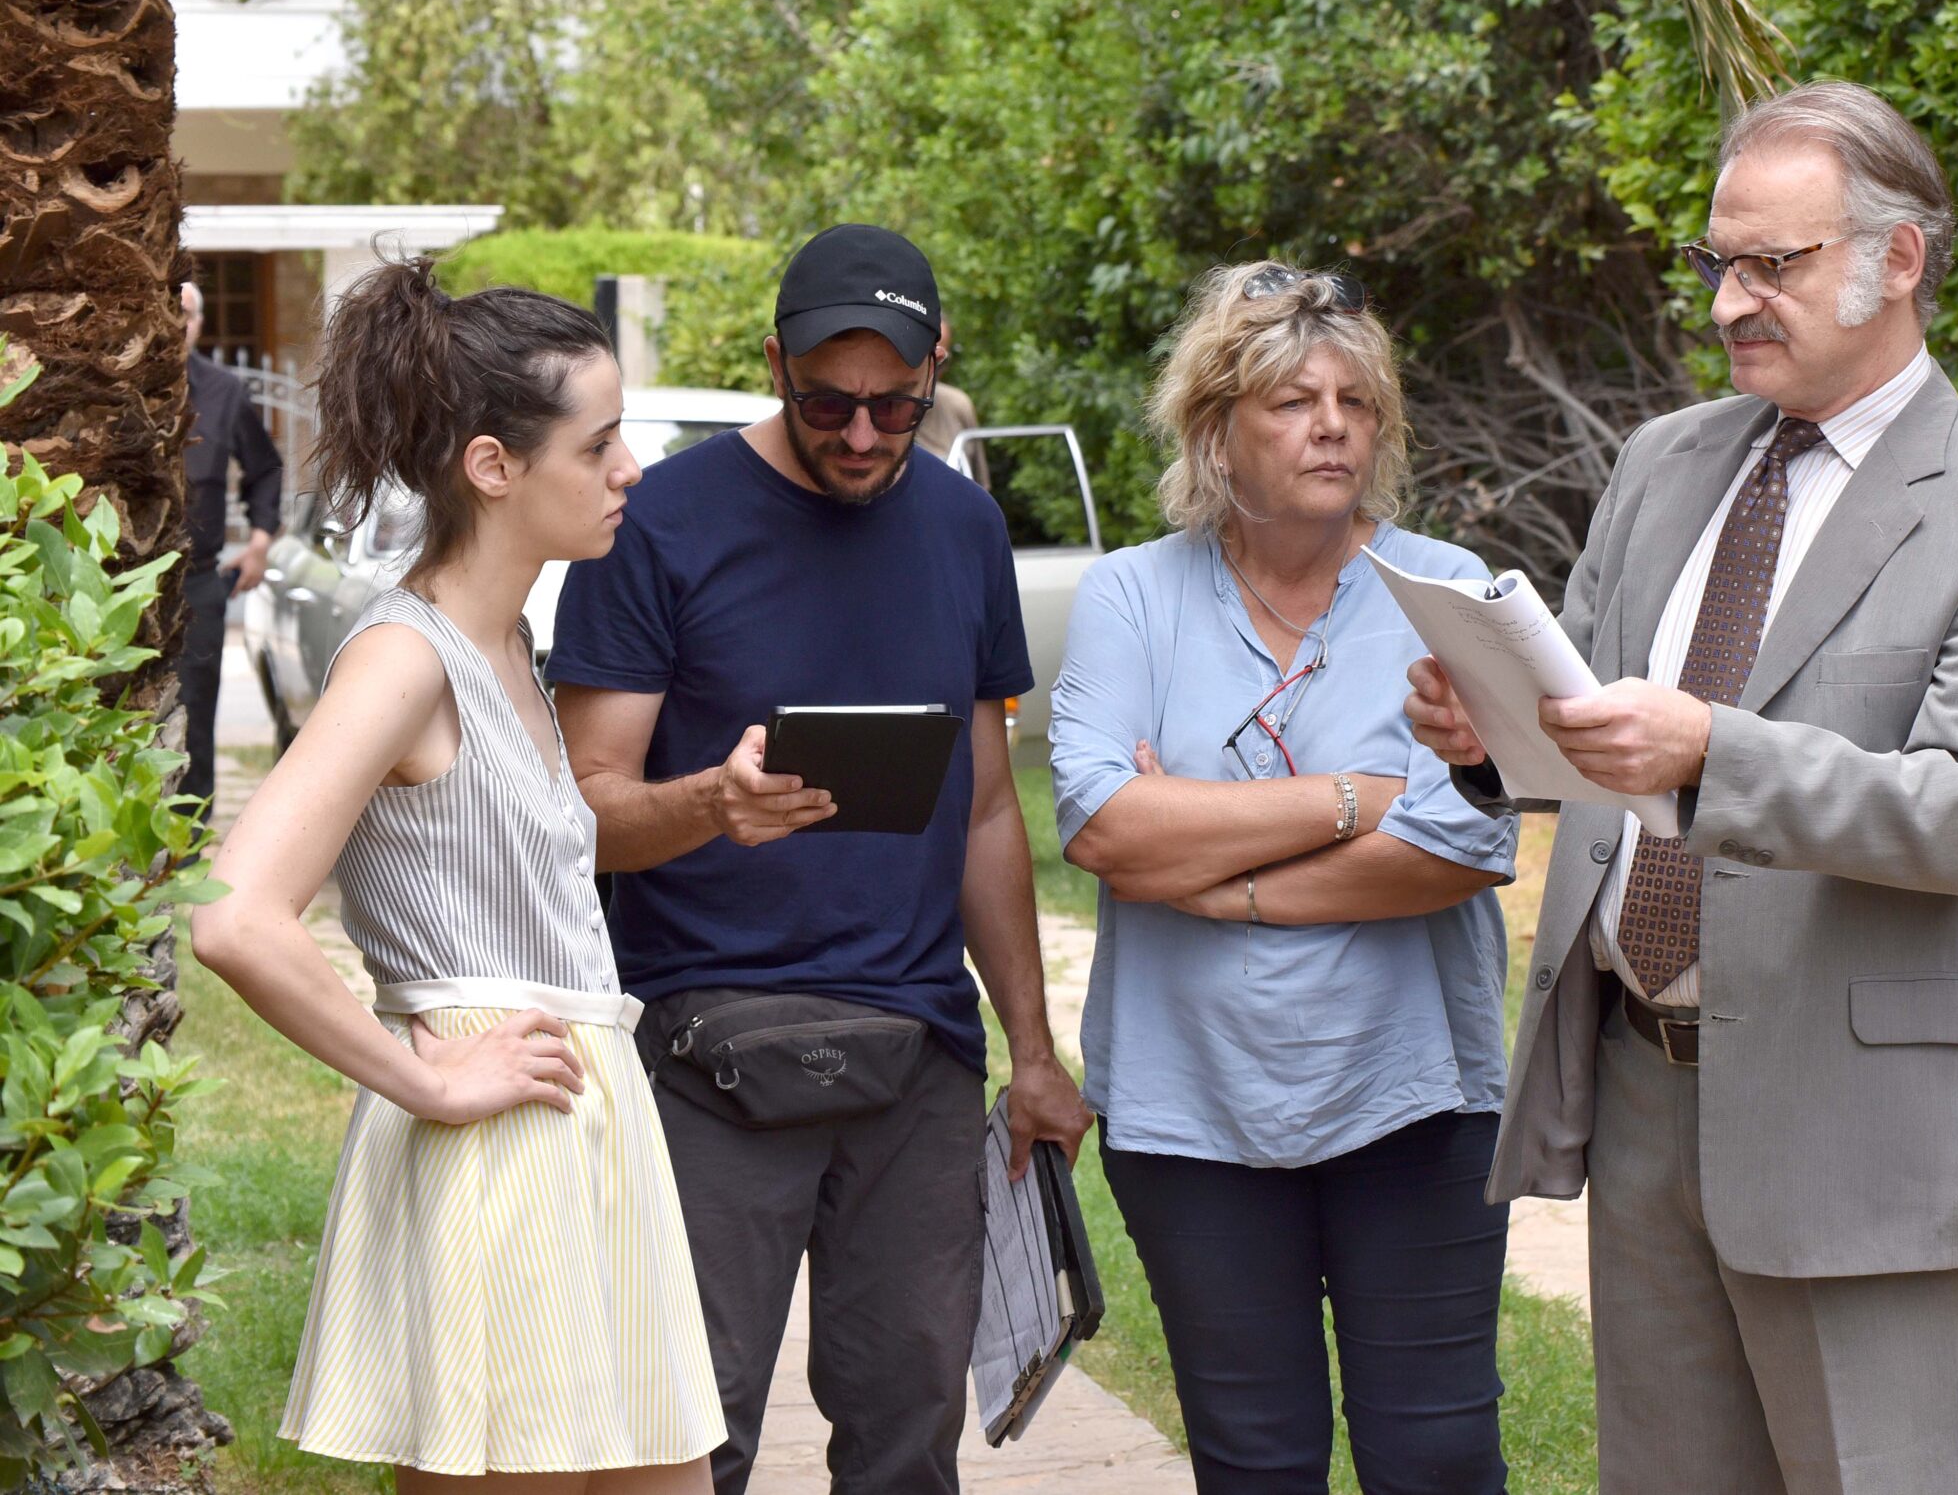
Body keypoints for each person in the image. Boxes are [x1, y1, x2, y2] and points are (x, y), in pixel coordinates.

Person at [1408, 81, 1958, 1493]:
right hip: (1643, 1093)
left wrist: (1715, 751)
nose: (1729, 301)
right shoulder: (1664, 463)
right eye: (1716, 262)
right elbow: (1602, 740)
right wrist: (1488, 739)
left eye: (1770, 265)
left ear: (1897, 259)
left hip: (1851, 1130)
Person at [546, 223, 1089, 1495]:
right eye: (827, 402)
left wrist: (1034, 1051)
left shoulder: (963, 529)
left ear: (937, 366)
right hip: (702, 1045)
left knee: (908, 1432)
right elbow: (580, 805)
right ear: (774, 363)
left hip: (916, 1057)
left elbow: (988, 812)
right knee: (693, 1431)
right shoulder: (660, 523)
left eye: (894, 404)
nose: (859, 433)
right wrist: (709, 803)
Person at [190, 260, 722, 1489]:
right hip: (496, 1145)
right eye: (598, 444)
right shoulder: (403, 657)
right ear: (494, 465)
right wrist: (427, 1081)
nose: (630, 466)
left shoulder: (510, 645)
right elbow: (233, 914)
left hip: (583, 1127)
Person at [1051, 262, 1520, 1494]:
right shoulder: (1131, 594)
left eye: (1355, 402)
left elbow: (1461, 849)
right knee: (1253, 1462)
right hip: (1188, 1106)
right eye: (1291, 400)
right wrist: (1354, 799)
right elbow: (1104, 827)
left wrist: (1215, 873)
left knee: (1437, 1454)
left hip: (1417, 1097)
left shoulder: (1447, 589)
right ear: (1215, 428)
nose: (1331, 425)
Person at [177, 278, 283, 805]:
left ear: (199, 323)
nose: (178, 323)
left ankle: (187, 853)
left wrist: (260, 542)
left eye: (188, 313)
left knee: (195, 717)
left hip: (196, 585)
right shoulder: (107, 390)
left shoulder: (223, 390)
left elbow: (264, 468)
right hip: (105, 583)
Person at [911, 315, 987, 484]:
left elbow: (980, 486)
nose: (932, 372)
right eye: (924, 359)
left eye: (941, 363)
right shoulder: (874, 410)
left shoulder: (959, 404)